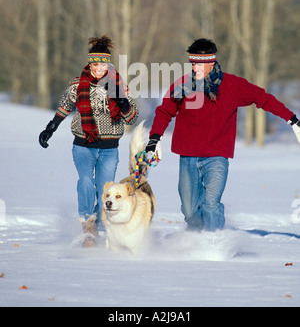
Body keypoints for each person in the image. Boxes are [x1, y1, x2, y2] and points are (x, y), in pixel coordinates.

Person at [146, 38, 300, 232]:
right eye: (193, 64)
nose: (196, 69)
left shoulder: (233, 85)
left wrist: (292, 120)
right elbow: (164, 112)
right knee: (190, 209)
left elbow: (264, 99)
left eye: (200, 64)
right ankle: (194, 238)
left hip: (217, 155)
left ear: (212, 62)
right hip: (188, 155)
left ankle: (214, 242)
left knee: (211, 203)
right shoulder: (182, 85)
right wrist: (155, 138)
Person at [39, 36, 138, 245]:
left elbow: (132, 117)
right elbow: (64, 108)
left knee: (105, 189)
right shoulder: (78, 85)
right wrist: (50, 129)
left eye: (102, 63)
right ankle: (88, 223)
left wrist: (123, 103)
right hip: (83, 145)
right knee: (85, 181)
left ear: (108, 64)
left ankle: (101, 225)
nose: (98, 68)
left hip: (110, 148)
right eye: (94, 63)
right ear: (89, 63)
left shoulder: (119, 86)